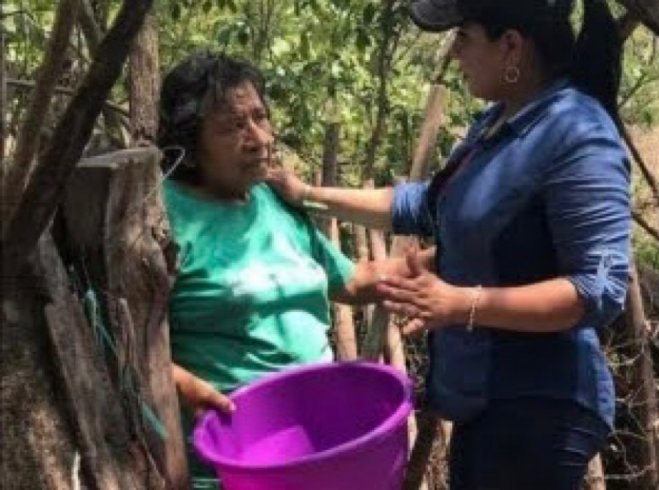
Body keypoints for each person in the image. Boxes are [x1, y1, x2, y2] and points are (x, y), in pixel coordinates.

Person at [265, 0, 631, 488]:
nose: (454, 52)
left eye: (464, 37)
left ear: (512, 46)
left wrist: (459, 302)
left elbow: (599, 290)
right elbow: (429, 204)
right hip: (487, 402)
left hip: (542, 408)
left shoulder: (578, 134)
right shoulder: (497, 124)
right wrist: (309, 195)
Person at [158, 52, 421, 489]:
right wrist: (181, 384)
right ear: (188, 143)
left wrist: (453, 257)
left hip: (317, 445)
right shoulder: (158, 217)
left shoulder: (274, 202)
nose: (259, 138)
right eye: (232, 127)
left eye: (260, 118)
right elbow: (117, 339)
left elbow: (351, 280)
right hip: (231, 463)